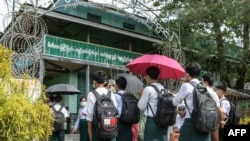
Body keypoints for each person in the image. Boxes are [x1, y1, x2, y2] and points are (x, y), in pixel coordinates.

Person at [172, 62, 211, 141]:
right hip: (205, 124)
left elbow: (175, 102)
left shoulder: (186, 86)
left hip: (191, 123)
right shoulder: (204, 87)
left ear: (187, 74)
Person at [137, 66, 168, 141]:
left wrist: (141, 96)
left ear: (147, 76)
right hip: (164, 121)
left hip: (152, 121)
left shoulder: (148, 89)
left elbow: (141, 107)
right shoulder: (165, 89)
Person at [86, 70, 117, 141]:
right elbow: (116, 113)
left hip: (98, 131)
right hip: (111, 131)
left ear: (94, 82)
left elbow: (90, 117)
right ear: (105, 82)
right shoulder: (111, 94)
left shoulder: (92, 94)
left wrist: (90, 136)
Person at [201, 75, 224, 141]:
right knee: (214, 138)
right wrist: (221, 121)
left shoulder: (203, 91)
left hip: (203, 119)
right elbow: (219, 109)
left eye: (202, 81)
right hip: (212, 120)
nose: (200, 83)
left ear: (206, 82)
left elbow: (219, 109)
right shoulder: (213, 93)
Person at [114, 76, 133, 141]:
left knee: (120, 138)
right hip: (129, 120)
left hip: (120, 121)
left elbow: (114, 109)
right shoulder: (129, 95)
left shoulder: (116, 96)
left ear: (117, 85)